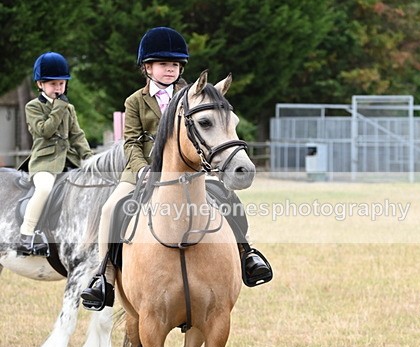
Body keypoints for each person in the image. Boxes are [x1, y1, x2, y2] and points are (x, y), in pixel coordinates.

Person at [81, 26, 272, 312]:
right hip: (142, 170)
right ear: (147, 67)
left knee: (229, 199)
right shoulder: (135, 101)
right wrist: (143, 168)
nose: (169, 69)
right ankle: (104, 276)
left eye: (174, 64)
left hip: (190, 171)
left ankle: (246, 253)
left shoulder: (192, 96)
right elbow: (131, 141)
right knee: (112, 208)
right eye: (162, 64)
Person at [17, 52, 93, 256]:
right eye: (53, 85)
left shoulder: (69, 108)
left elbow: (77, 135)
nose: (58, 89)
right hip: (44, 163)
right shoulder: (33, 106)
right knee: (44, 189)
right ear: (40, 85)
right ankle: (26, 235)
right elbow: (45, 131)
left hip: (69, 161)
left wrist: (89, 158)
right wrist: (59, 108)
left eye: (61, 84)